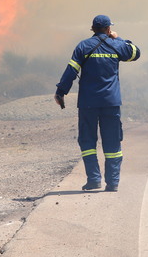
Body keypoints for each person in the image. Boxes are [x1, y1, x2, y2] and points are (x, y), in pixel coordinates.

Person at [54, 15, 141, 192]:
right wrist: (119, 39)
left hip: (88, 103)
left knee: (87, 142)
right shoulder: (116, 45)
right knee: (113, 143)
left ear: (92, 29)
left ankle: (94, 179)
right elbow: (135, 53)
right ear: (108, 29)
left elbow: (71, 71)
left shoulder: (83, 46)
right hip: (111, 102)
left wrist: (60, 92)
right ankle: (113, 182)